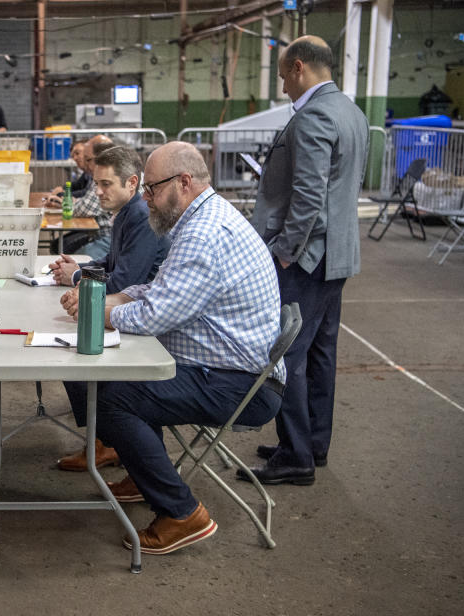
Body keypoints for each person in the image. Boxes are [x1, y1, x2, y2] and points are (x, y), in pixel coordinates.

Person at [65, 141, 284, 555]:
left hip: (238, 384)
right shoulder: (200, 220)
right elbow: (160, 289)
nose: (145, 198)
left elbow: (155, 316)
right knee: (126, 380)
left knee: (112, 397)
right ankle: (143, 474)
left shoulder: (204, 234)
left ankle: (182, 513)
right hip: (228, 368)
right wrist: (112, 299)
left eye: (151, 189)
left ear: (183, 183)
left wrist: (99, 313)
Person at [244, 36, 369, 486]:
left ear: (299, 68)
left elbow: (309, 199)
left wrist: (283, 253)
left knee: (287, 356)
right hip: (338, 256)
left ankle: (295, 455)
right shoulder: (352, 111)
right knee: (320, 355)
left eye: (282, 77)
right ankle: (312, 444)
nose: (283, 88)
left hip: (308, 258)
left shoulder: (315, 115)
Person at [48, 145, 169, 472]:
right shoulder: (126, 212)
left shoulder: (141, 217)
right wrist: (78, 269)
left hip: (144, 324)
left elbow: (124, 281)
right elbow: (110, 263)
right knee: (70, 354)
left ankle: (109, 442)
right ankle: (107, 440)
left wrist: (75, 276)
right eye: (96, 183)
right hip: (127, 309)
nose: (97, 191)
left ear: (132, 183)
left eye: (105, 185)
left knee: (74, 359)